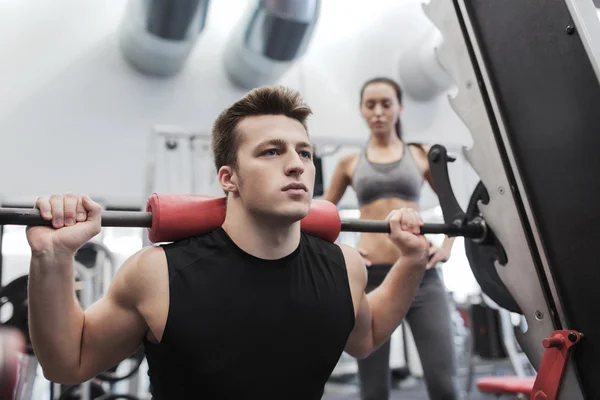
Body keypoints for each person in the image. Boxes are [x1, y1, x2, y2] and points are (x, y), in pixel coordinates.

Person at [25, 86, 430, 400]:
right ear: (228, 178)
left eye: (304, 153)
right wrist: (53, 257)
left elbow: (367, 336)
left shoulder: (344, 267)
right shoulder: (157, 274)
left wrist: (411, 262)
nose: (296, 164)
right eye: (271, 151)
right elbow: (69, 363)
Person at [322, 77, 459, 400]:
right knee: (374, 390)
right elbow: (323, 218)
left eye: (386, 104)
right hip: (370, 280)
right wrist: (339, 251)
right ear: (361, 110)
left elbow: (456, 210)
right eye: (370, 105)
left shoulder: (421, 154)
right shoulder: (349, 162)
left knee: (444, 384)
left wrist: (448, 247)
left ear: (400, 107)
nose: (378, 112)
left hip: (422, 277)